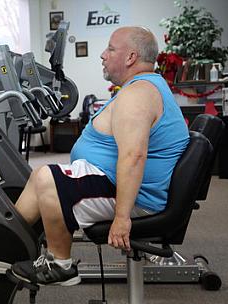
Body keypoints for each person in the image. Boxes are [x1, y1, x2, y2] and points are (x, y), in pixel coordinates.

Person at [10, 26, 190, 287]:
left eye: (110, 49)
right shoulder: (142, 88)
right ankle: (4, 245)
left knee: (48, 178)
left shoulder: (139, 94)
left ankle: (60, 264)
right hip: (115, 183)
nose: (103, 55)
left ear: (130, 57)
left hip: (134, 197)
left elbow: (133, 156)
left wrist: (122, 217)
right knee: (40, 175)